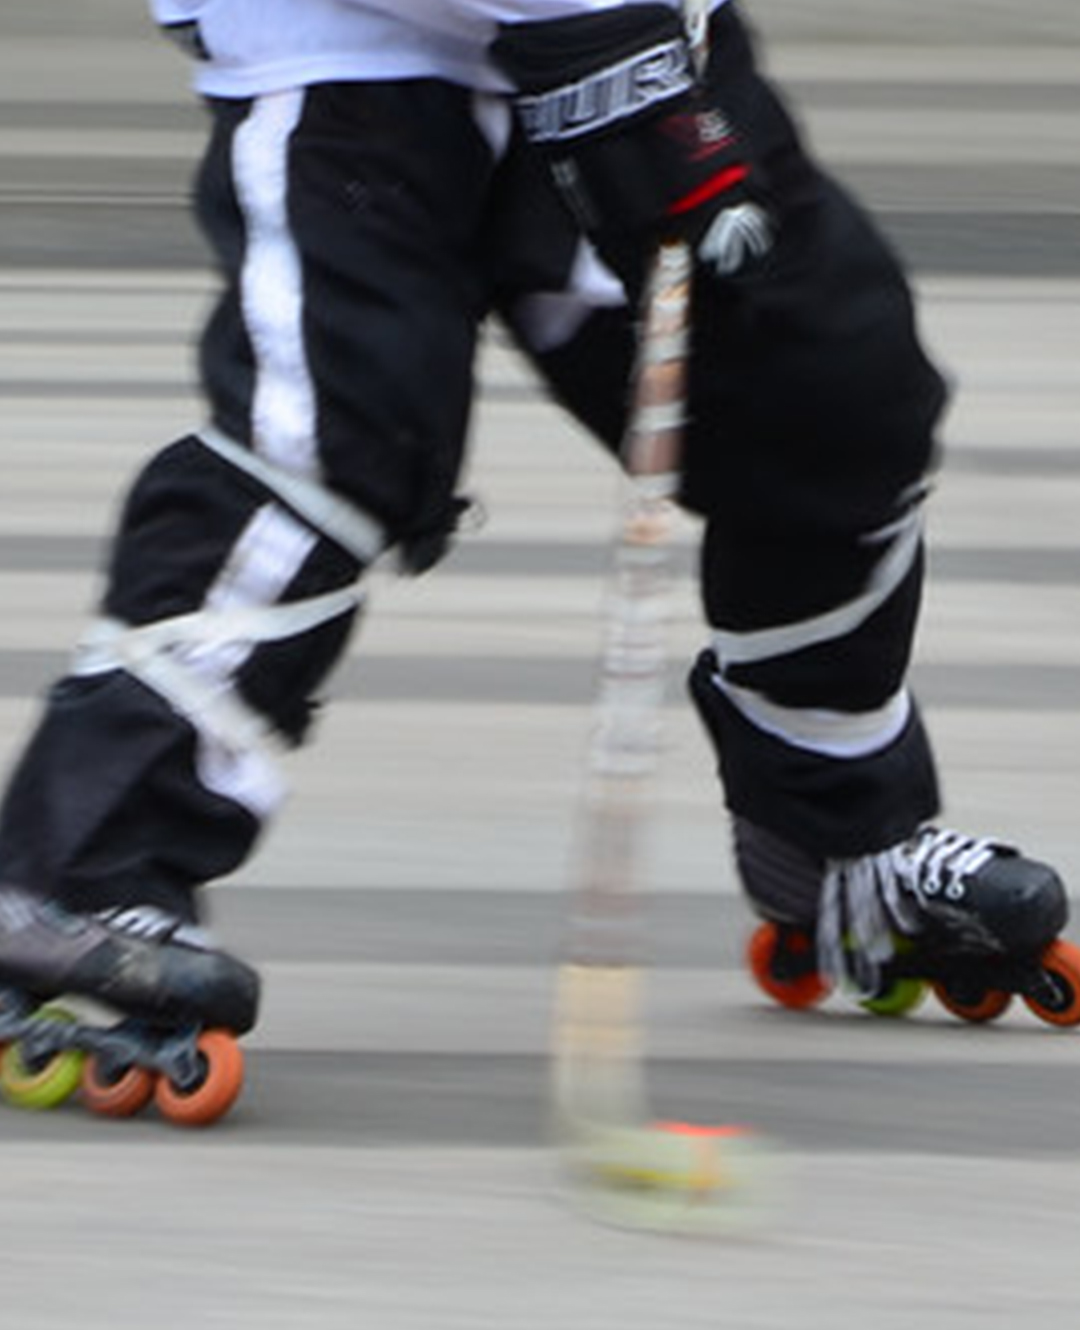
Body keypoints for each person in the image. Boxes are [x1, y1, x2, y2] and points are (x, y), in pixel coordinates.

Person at [0, 0, 1069, 1067]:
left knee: (835, 402)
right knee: (330, 449)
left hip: (651, 39)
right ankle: (77, 866)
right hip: (358, 65)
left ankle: (837, 830)